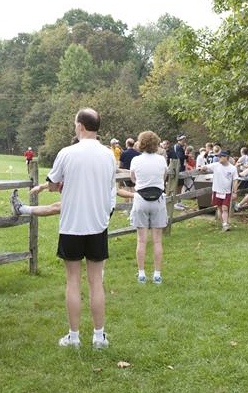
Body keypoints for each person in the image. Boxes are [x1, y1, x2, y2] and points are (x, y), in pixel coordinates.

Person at [26, 108, 116, 349]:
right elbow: (109, 186)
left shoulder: (67, 153)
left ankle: (74, 337)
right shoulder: (109, 155)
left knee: (73, 281)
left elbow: (52, 185)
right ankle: (99, 337)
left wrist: (56, 186)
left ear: (81, 126)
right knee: (96, 282)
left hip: (72, 225)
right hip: (98, 224)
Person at [116, 130, 167, 284]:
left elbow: (133, 178)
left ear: (141, 143)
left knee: (141, 240)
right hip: (158, 200)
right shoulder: (161, 160)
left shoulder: (136, 160)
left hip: (140, 199)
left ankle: (141, 274)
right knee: (157, 241)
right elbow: (163, 177)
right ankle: (157, 275)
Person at [198, 150, 238, 231]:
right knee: (219, 208)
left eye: (221, 156)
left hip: (226, 192)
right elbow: (206, 167)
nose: (219, 158)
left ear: (226, 157)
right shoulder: (216, 165)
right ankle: (224, 223)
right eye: (218, 156)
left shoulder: (233, 168)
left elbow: (235, 181)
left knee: (225, 208)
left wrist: (234, 192)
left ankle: (225, 224)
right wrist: (202, 168)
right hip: (216, 191)